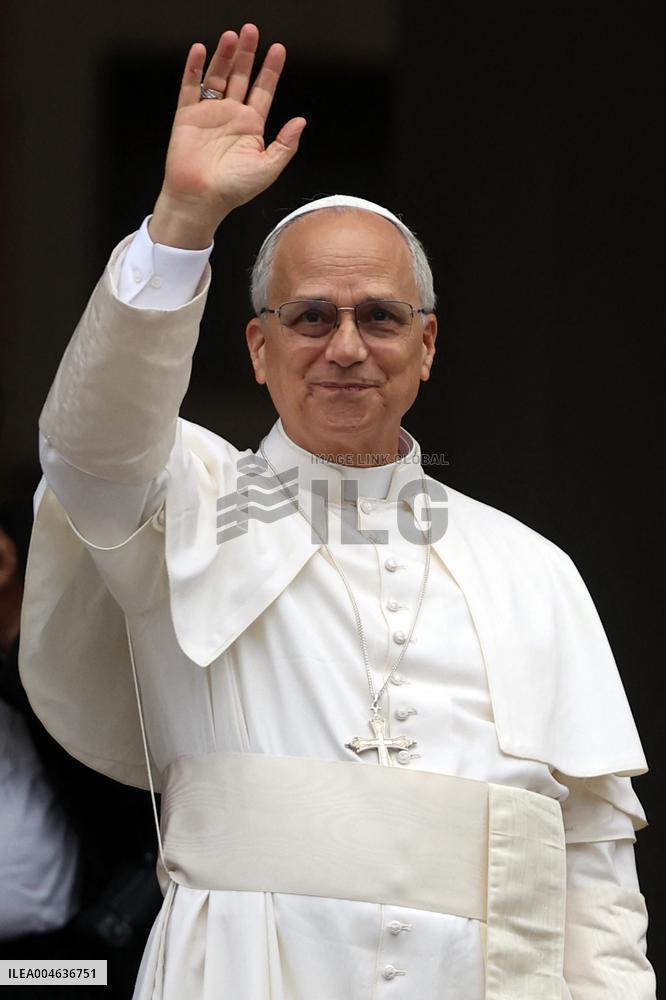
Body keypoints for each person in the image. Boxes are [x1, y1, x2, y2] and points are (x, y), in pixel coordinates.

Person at [18, 22, 656, 999]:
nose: (346, 345)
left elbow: (596, 876)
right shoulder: (183, 500)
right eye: (311, 315)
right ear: (259, 347)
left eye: (380, 316)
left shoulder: (535, 569)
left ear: (429, 344)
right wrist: (181, 220)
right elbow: (88, 445)